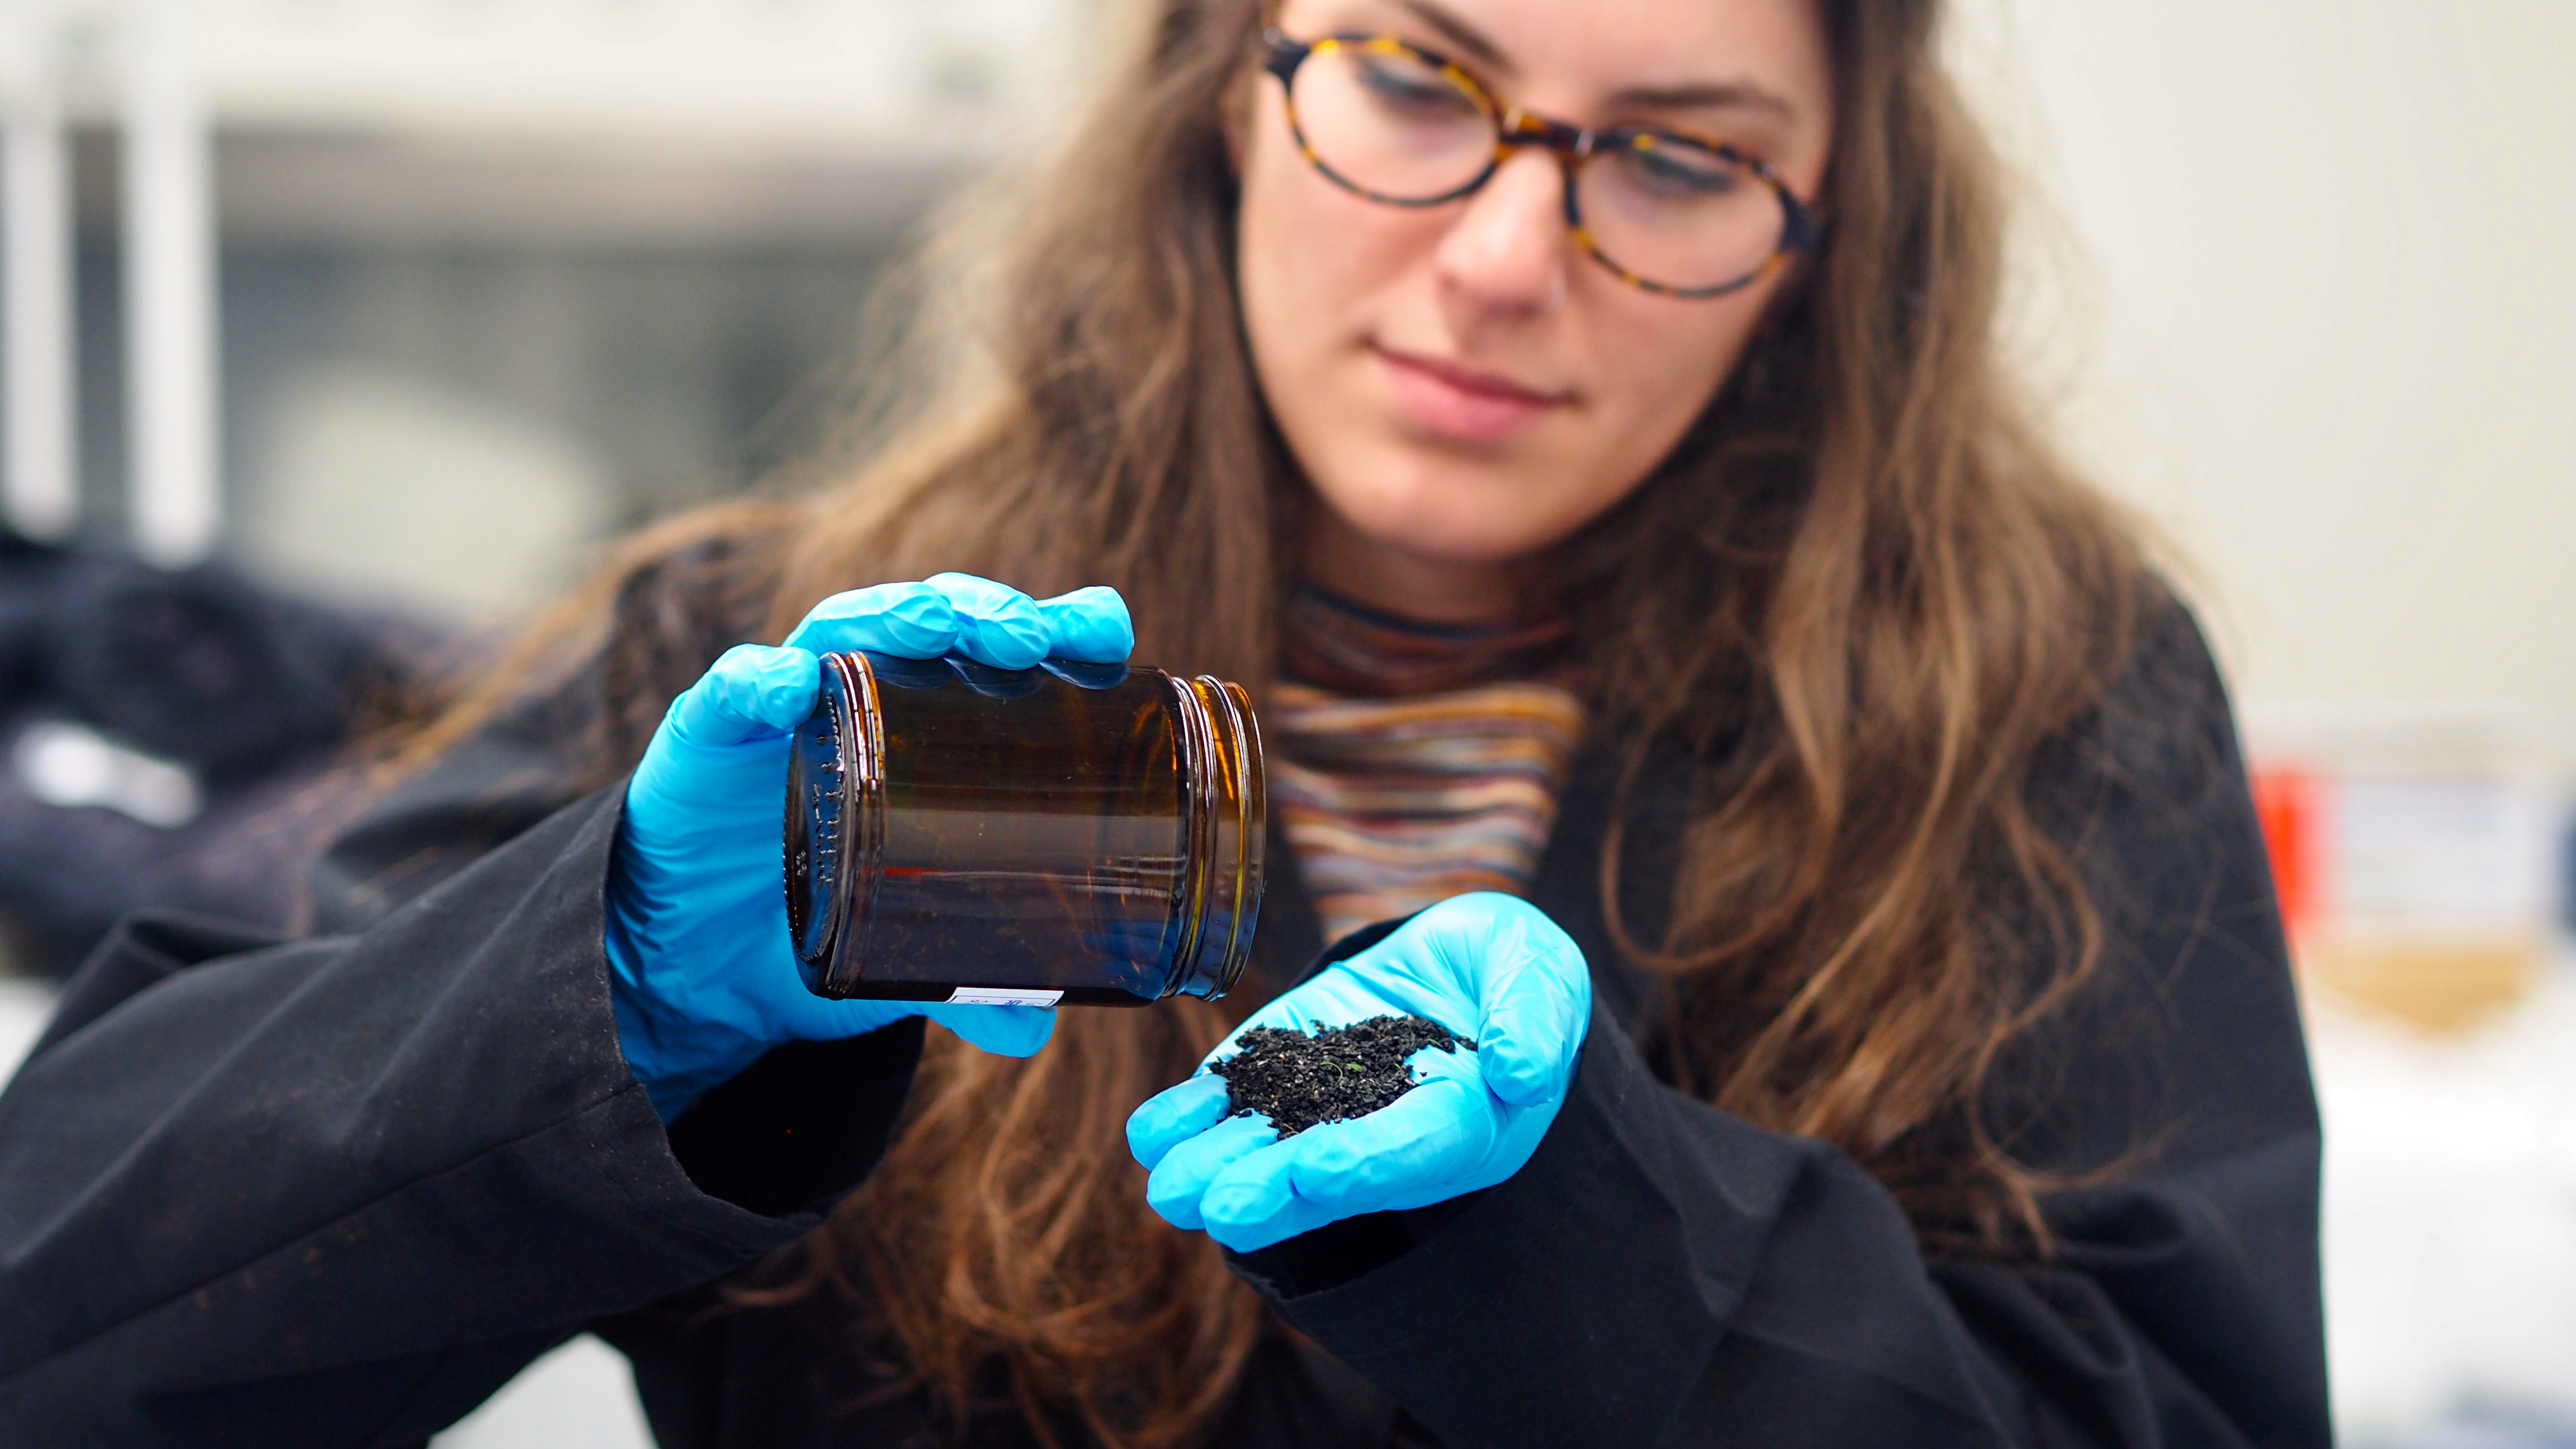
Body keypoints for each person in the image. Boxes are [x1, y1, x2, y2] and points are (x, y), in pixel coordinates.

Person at [0, 0, 2329, 1443]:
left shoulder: (2045, 703)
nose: (1511, 253)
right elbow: (61, 1332)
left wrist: (1621, 1252)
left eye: (1679, 152)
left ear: (1833, 232)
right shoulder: (764, 660)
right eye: (1418, 76)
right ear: (1232, 92)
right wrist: (584, 1012)